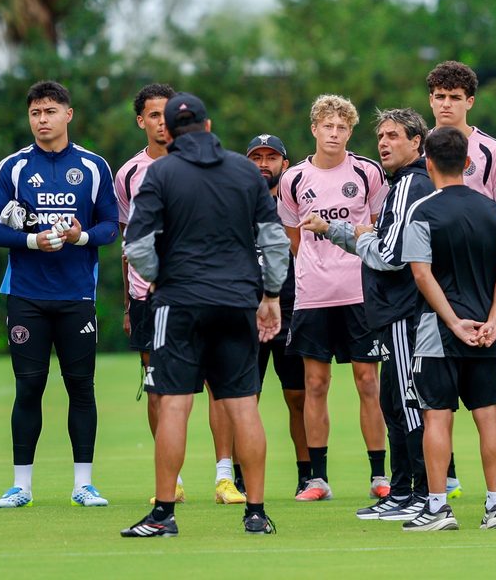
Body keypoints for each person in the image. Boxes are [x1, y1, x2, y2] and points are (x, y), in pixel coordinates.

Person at [121, 92, 289, 537]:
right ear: (209, 127)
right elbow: (274, 242)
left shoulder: (160, 172)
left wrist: (160, 278)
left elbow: (136, 246)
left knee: (174, 405)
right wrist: (270, 295)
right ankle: (255, 512)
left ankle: (163, 514)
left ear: (172, 133)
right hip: (237, 303)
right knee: (242, 407)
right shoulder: (244, 171)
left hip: (179, 303)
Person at [0, 80, 119, 508]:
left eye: (50, 112)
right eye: (36, 113)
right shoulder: (13, 167)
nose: (43, 120)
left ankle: (83, 485)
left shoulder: (94, 167)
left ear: (68, 115)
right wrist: (30, 241)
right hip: (27, 295)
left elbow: (111, 227)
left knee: (81, 387)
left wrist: (80, 237)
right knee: (29, 387)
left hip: (77, 295)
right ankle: (21, 486)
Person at [301, 108, 434, 521]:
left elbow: (391, 255)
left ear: (416, 142)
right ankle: (402, 491)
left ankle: (413, 493)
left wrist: (353, 234)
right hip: (391, 309)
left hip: (403, 310)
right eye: (381, 136)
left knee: (404, 402)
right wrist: (351, 233)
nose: (384, 143)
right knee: (396, 400)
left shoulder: (411, 184)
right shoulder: (402, 183)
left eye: (393, 136)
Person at [399, 126, 496, 531]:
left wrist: (452, 321)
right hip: (487, 332)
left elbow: (421, 274)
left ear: (428, 162)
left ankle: (437, 507)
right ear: (467, 163)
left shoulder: (423, 211)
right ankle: (495, 506)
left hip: (439, 332)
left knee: (437, 417)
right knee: (489, 417)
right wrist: (494, 322)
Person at [277, 94, 389, 501]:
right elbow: (293, 240)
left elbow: (378, 231)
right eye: (328, 126)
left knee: (367, 382)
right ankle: (317, 479)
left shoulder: (367, 172)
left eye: (342, 127)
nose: (335, 133)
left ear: (350, 132)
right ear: (315, 129)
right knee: (315, 383)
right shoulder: (293, 179)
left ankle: (379, 475)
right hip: (313, 295)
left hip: (360, 292)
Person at [427, 60, 496, 498]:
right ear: (431, 100)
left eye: (454, 97)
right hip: (428, 281)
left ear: (470, 102)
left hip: (480, 283)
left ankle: (494, 484)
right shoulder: (417, 146)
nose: (446, 104)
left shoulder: (493, 151)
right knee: (431, 401)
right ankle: (441, 481)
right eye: (439, 97)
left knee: (488, 395)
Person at [114, 83, 191, 505]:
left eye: (168, 113)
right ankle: (171, 479)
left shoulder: (201, 163)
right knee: (156, 385)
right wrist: (130, 301)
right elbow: (127, 241)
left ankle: (223, 476)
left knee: (216, 386)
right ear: (141, 120)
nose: (162, 122)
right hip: (148, 297)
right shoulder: (128, 173)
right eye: (154, 115)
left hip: (197, 291)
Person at [245, 133, 310, 496]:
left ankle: (308, 473)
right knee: (244, 398)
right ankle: (238, 476)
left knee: (298, 396)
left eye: (271, 157)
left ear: (285, 164)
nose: (264, 164)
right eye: (257, 157)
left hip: (291, 308)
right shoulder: (236, 201)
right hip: (247, 312)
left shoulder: (298, 200)